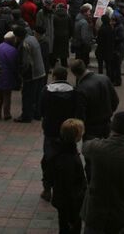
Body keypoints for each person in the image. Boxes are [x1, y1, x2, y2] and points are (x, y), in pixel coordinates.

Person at [40, 66, 86, 202]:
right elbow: (79, 111)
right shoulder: (74, 92)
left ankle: (47, 187)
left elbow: (41, 110)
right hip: (69, 131)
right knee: (71, 157)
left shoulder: (46, 91)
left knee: (48, 159)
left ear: (54, 76)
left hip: (51, 131)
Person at [47, 118, 87, 234]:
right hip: (71, 202)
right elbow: (68, 185)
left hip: (63, 199)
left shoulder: (60, 149)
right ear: (77, 136)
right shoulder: (68, 157)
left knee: (63, 224)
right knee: (71, 227)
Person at [70, 59, 119, 140]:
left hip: (91, 128)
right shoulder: (104, 78)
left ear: (75, 74)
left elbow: (80, 114)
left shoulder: (81, 89)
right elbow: (115, 100)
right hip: (107, 123)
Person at [14, 25, 47, 123]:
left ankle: (26, 116)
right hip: (41, 71)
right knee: (37, 95)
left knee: (27, 95)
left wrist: (21, 73)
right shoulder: (33, 38)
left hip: (31, 73)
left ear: (18, 36)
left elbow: (25, 62)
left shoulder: (25, 44)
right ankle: (37, 114)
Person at [0, 31, 20, 120]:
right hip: (8, 75)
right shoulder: (13, 50)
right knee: (7, 95)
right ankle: (6, 114)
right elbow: (14, 65)